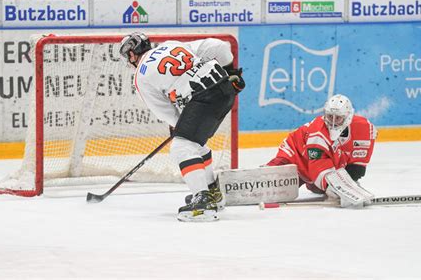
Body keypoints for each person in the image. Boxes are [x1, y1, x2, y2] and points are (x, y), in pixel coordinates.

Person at [119, 33, 245, 222]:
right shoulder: (169, 44)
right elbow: (217, 46)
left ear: (131, 55)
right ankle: (212, 192)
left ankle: (203, 202)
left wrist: (178, 125)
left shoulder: (141, 76)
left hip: (203, 97)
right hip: (226, 89)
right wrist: (229, 70)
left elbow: (162, 111)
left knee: (182, 146)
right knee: (194, 143)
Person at [267, 94, 377, 207]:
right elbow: (318, 166)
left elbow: (356, 167)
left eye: (338, 118)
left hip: (322, 167)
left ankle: (313, 184)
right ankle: (264, 175)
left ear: (348, 117)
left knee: (317, 187)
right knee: (272, 180)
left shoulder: (364, 128)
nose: (332, 122)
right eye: (330, 117)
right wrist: (333, 186)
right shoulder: (317, 133)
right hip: (295, 157)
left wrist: (348, 185)